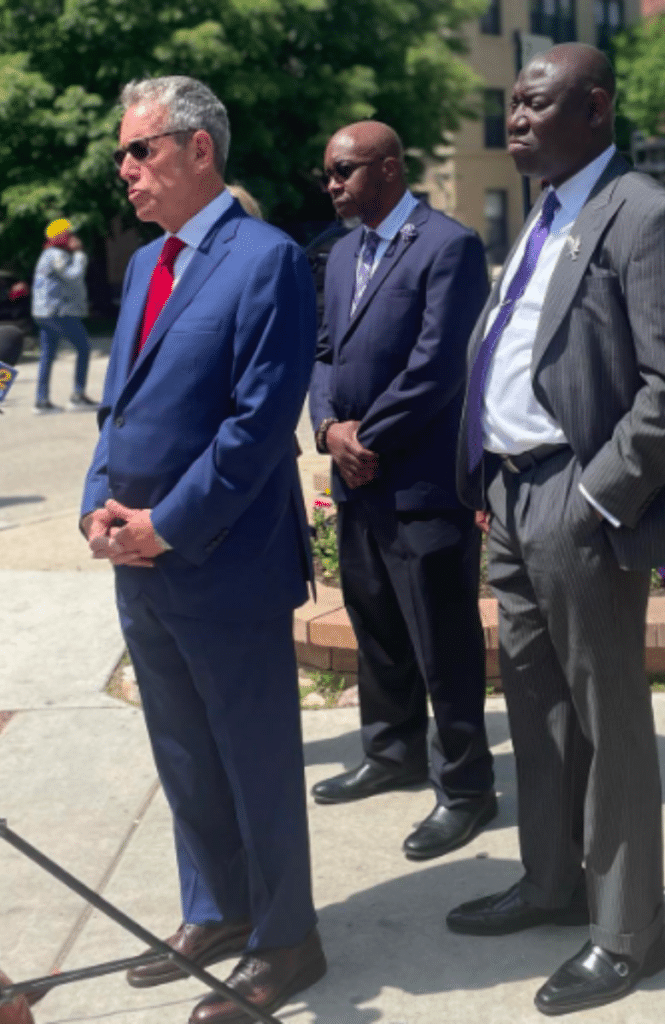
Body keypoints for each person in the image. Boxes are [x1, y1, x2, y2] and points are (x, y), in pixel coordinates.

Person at [80, 76, 325, 1024]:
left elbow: (256, 426)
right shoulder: (146, 266)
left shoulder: (266, 262)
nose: (126, 170)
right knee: (182, 751)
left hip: (220, 559)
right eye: (122, 156)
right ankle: (216, 909)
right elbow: (119, 407)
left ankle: (286, 939)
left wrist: (165, 525)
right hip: (135, 561)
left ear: (198, 150)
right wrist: (98, 506)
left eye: (140, 150)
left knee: (254, 755)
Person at [449, 42, 665, 1015]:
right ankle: (551, 883)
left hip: (574, 501)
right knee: (537, 714)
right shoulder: (542, 216)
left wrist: (595, 495)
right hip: (508, 500)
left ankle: (627, 932)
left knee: (607, 718)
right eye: (508, 104)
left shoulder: (644, 215)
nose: (512, 120)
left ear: (592, 109)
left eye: (533, 104)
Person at [308, 121, 496, 860]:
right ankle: (391, 753)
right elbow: (323, 354)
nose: (331, 184)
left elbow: (438, 365)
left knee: (440, 639)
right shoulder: (341, 253)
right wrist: (328, 429)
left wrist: (367, 438)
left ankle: (466, 788)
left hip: (420, 483)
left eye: (344, 170)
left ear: (388, 168)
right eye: (326, 171)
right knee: (377, 625)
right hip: (355, 481)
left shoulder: (448, 247)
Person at [31, 218, 97, 414]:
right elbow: (73, 276)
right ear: (63, 237)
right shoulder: (57, 255)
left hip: (44, 313)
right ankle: (78, 397)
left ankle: (41, 401)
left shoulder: (46, 254)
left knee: (47, 355)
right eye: (70, 234)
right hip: (58, 313)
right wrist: (79, 254)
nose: (74, 238)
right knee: (84, 348)